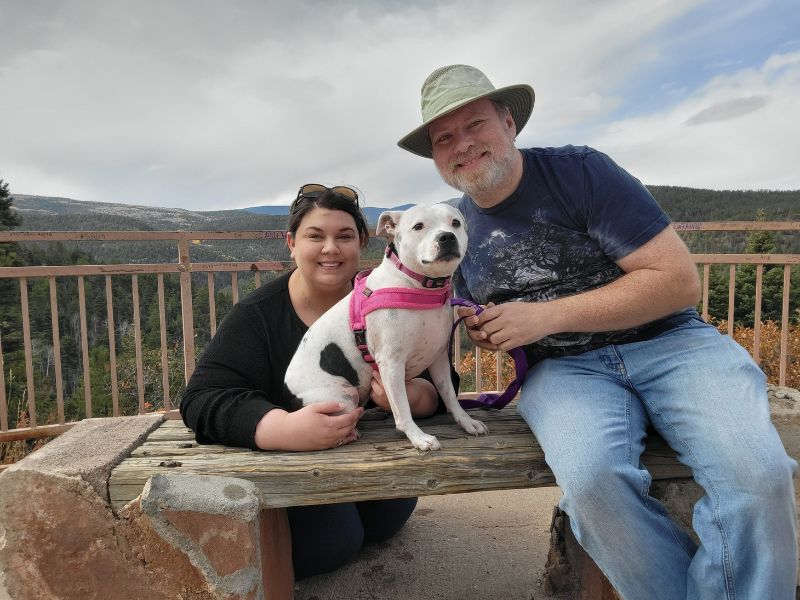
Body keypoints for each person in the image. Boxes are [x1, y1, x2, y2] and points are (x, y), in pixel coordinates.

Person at [398, 64, 798, 599]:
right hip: (564, 373)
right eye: (445, 138)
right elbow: (464, 312)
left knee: (758, 474)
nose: (462, 145)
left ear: (510, 123)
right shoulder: (455, 228)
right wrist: (484, 330)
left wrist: (544, 316)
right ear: (436, 157)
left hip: (672, 344)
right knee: (592, 483)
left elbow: (678, 282)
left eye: (475, 125)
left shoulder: (580, 172)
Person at [180, 183, 441, 579]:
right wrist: (280, 427)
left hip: (361, 458)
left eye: (345, 236)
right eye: (315, 236)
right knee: (332, 544)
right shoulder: (258, 316)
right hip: (289, 467)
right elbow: (200, 398)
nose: (330, 249)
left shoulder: (396, 298)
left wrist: (415, 396)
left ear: (364, 243)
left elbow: (441, 377)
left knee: (389, 514)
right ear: (291, 243)